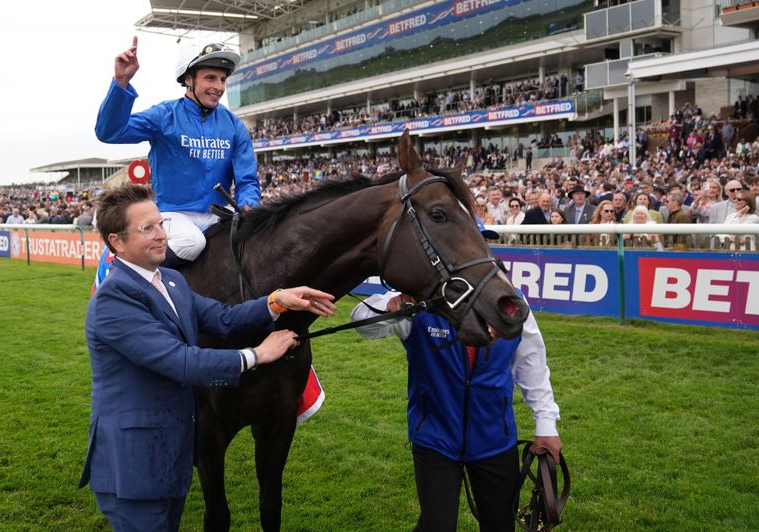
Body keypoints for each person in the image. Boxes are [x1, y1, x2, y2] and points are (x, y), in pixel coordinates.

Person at [79, 183, 337, 531]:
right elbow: (182, 362)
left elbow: (223, 318)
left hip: (171, 456)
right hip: (133, 465)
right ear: (117, 242)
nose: (160, 235)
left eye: (160, 224)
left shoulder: (169, 279)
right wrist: (257, 355)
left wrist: (276, 300)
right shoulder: (114, 301)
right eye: (146, 229)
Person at [351, 290, 561, 532]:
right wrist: (390, 304)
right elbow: (361, 322)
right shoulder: (420, 296)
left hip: (495, 440)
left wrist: (546, 424)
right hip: (434, 439)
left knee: (501, 525)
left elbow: (532, 363)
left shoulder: (511, 301)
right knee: (437, 526)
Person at [95, 37, 261, 267]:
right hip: (172, 215)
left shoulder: (234, 125)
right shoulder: (165, 115)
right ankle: (138, 276)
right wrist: (121, 83)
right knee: (192, 242)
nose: (219, 87)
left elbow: (247, 179)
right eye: (210, 78)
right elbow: (109, 132)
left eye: (223, 79)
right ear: (188, 79)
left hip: (218, 215)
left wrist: (249, 203)